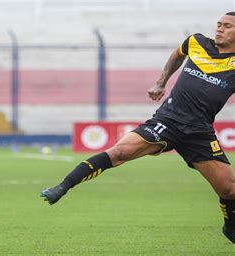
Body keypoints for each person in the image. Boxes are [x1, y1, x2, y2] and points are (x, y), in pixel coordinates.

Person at [41, 12, 235, 243]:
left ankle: (230, 227)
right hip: (167, 121)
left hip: (199, 132)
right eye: (219, 24)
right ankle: (62, 186)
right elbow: (177, 55)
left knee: (229, 190)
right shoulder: (197, 42)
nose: (220, 29)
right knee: (119, 152)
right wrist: (161, 82)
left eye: (227, 26)